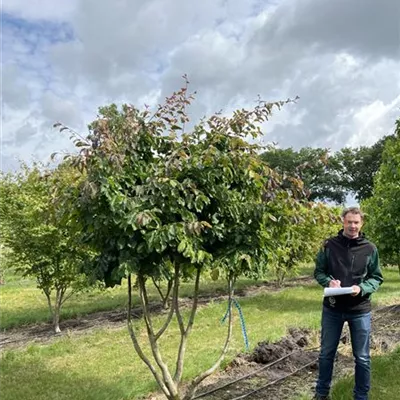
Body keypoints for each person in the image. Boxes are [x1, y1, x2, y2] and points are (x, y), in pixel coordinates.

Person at [313, 207, 383, 400]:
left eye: (356, 222)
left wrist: (363, 288)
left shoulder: (370, 248)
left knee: (362, 358)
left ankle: (361, 396)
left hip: (360, 310)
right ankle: (321, 393)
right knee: (326, 354)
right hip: (333, 308)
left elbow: (377, 277)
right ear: (342, 221)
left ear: (362, 224)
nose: (352, 226)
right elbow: (319, 271)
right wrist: (328, 281)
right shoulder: (329, 245)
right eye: (349, 221)